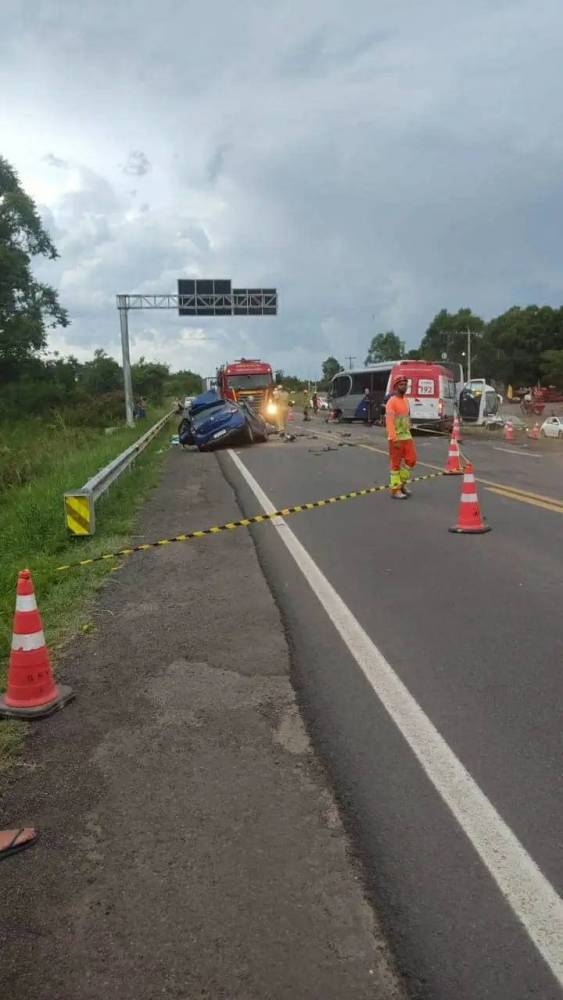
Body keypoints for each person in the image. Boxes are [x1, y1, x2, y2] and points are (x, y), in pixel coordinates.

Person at [385, 374, 416, 499]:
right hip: (396, 438)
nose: (404, 386)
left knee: (411, 460)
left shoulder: (406, 401)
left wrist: (409, 424)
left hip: (407, 436)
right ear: (396, 387)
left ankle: (401, 484)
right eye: (402, 384)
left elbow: (405, 418)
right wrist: (393, 438)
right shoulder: (391, 402)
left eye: (405, 384)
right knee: (395, 465)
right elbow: (389, 422)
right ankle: (395, 490)